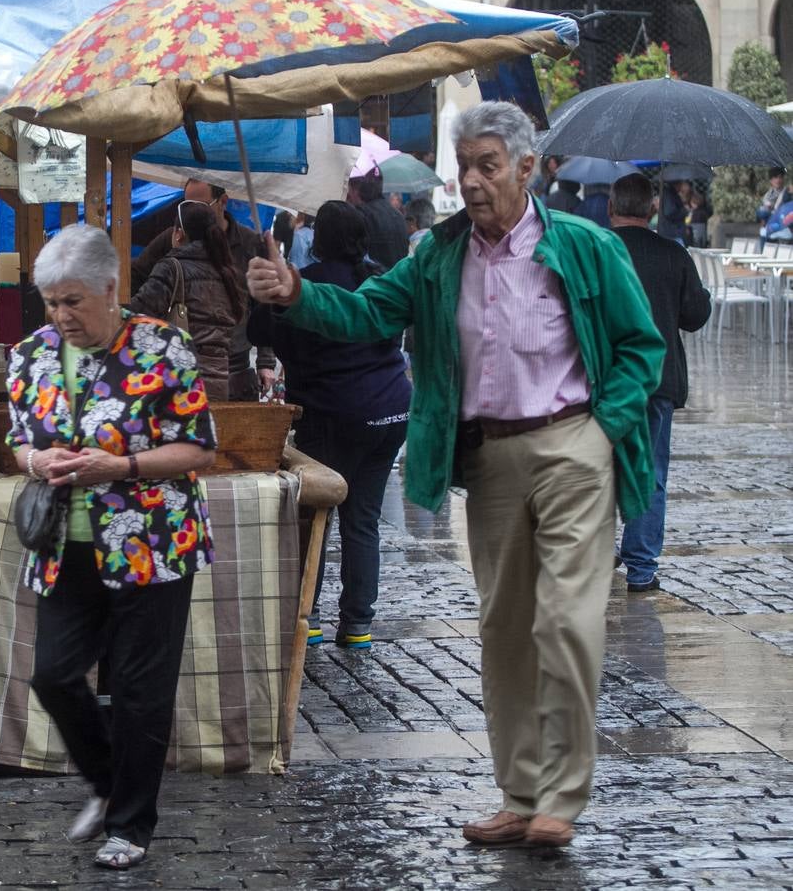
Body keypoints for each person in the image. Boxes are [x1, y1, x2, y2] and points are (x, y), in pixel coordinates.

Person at [246, 101, 664, 848]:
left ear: (527, 169)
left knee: (565, 620)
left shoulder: (587, 246)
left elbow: (640, 348)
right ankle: (520, 793)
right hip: (491, 458)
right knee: (505, 628)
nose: (471, 181)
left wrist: (607, 428)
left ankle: (562, 799)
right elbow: (367, 313)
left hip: (575, 444)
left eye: (487, 165)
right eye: (464, 165)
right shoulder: (438, 256)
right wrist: (298, 294)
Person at [6, 223, 217, 871]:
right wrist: (37, 459)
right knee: (54, 673)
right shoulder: (30, 354)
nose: (61, 315)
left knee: (139, 692)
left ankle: (131, 825)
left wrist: (121, 468)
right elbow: (18, 440)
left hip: (151, 543)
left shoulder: (164, 349)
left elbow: (199, 447)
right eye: (51, 302)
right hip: (64, 547)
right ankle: (105, 782)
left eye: (73, 300)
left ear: (109, 287)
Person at [247, 200, 411, 650]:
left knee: (316, 514)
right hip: (390, 412)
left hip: (331, 412)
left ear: (318, 241)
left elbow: (261, 330)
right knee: (364, 519)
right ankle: (358, 623)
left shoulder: (309, 285)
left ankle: (309, 617)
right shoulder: (382, 280)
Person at [609, 173, 711, 594]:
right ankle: (640, 565)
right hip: (656, 380)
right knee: (648, 471)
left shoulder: (596, 251)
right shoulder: (673, 254)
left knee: (599, 470)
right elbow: (695, 315)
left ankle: (597, 550)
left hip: (604, 381)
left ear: (611, 208)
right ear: (652, 208)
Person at [131, 179, 273, 400]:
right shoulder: (168, 244)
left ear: (223, 202)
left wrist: (266, 362)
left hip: (234, 368)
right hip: (188, 367)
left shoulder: (249, 243)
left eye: (199, 205)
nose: (191, 211)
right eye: (186, 204)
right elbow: (136, 274)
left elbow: (265, 306)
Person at [348, 169, 409, 270]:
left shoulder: (360, 215)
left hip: (373, 280)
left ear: (356, 189)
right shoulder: (397, 215)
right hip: (397, 279)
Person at [656, 181, 688, 245]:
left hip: (671, 233)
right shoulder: (669, 193)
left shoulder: (672, 193)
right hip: (672, 233)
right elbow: (669, 212)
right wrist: (684, 211)